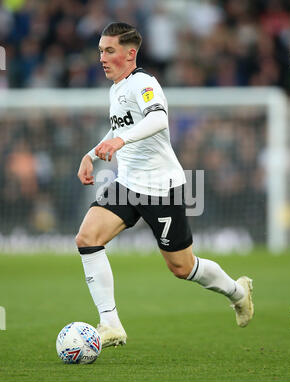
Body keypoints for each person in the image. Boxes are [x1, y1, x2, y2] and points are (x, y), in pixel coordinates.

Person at [76, 22, 254, 349]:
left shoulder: (145, 83)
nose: (102, 57)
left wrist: (119, 140)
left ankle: (238, 292)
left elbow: (157, 119)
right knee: (87, 238)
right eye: (100, 50)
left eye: (109, 50)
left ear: (130, 54)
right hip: (127, 184)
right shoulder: (116, 88)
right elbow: (119, 130)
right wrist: (91, 155)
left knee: (182, 267)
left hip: (161, 188)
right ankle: (110, 324)